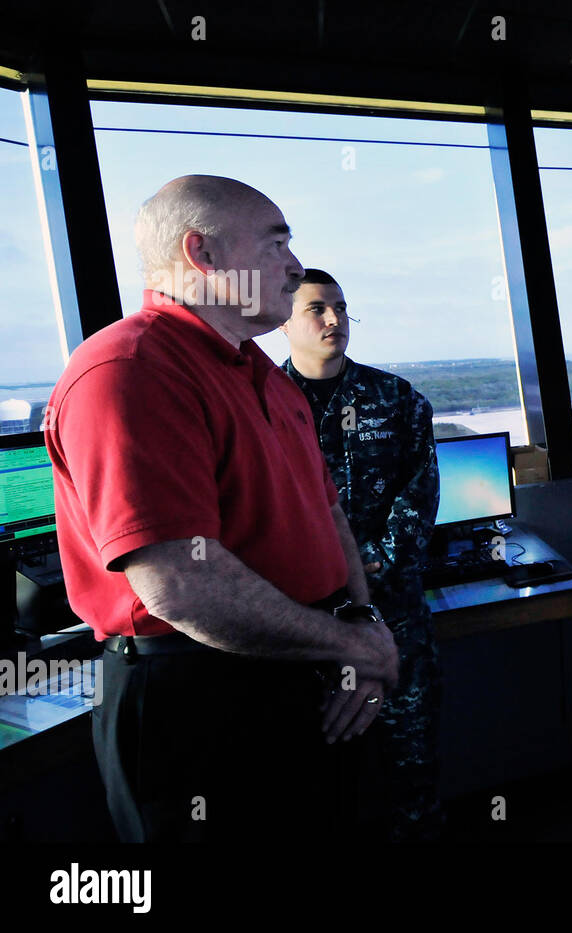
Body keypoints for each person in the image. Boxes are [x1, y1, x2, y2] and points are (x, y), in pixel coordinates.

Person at [44, 175, 399, 842]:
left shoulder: (263, 375)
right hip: (200, 695)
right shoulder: (131, 369)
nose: (295, 268)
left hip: (308, 665)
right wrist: (354, 646)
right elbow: (181, 585)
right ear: (202, 254)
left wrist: (359, 625)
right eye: (276, 245)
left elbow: (329, 519)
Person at [280, 268, 443, 842]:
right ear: (284, 321)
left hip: (393, 613)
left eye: (342, 308)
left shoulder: (396, 399)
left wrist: (371, 562)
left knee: (413, 764)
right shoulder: (262, 406)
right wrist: (330, 570)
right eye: (317, 309)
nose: (334, 320)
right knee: (314, 776)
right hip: (304, 618)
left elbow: (420, 492)